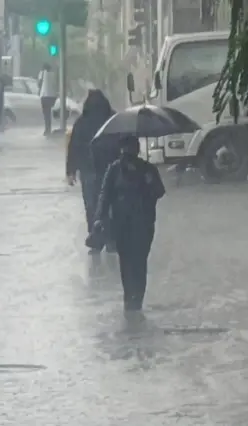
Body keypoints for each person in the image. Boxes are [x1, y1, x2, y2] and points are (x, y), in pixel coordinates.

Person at [92, 136, 166, 311]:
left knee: (139, 262)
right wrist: (99, 218)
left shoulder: (148, 169)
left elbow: (159, 192)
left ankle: (137, 299)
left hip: (143, 224)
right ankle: (129, 300)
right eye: (125, 151)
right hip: (122, 224)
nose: (128, 154)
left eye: (131, 149)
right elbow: (105, 196)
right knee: (126, 263)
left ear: (137, 150)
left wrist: (150, 181)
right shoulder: (114, 170)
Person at [66, 89, 115, 252]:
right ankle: (110, 239)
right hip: (109, 168)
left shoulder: (81, 122)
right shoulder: (112, 119)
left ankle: (95, 238)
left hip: (88, 170)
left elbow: (73, 147)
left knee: (91, 206)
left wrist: (70, 171)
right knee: (109, 205)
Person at [37, 63, 58, 136]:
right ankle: (49, 128)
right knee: (49, 112)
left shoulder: (42, 73)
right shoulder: (53, 74)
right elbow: (56, 84)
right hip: (52, 96)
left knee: (46, 114)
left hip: (44, 95)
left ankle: (47, 129)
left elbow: (39, 84)